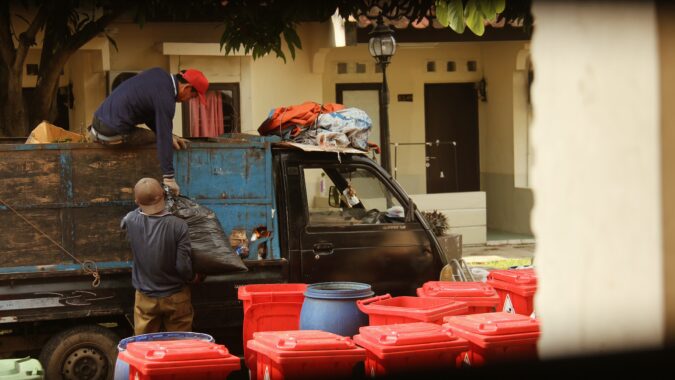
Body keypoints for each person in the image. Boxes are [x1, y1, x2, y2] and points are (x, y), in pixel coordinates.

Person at [90, 67, 209, 195]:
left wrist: (170, 135)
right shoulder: (166, 98)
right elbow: (163, 137)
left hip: (97, 125)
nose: (188, 100)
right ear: (187, 88)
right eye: (192, 96)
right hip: (111, 132)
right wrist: (169, 178)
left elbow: (149, 115)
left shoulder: (158, 75)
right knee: (158, 139)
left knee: (163, 136)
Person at [121, 177, 202, 335]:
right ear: (163, 196)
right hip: (176, 297)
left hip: (145, 298)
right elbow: (183, 267)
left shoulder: (131, 219)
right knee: (180, 347)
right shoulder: (178, 225)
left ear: (137, 201)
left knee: (145, 347)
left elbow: (125, 221)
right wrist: (194, 277)